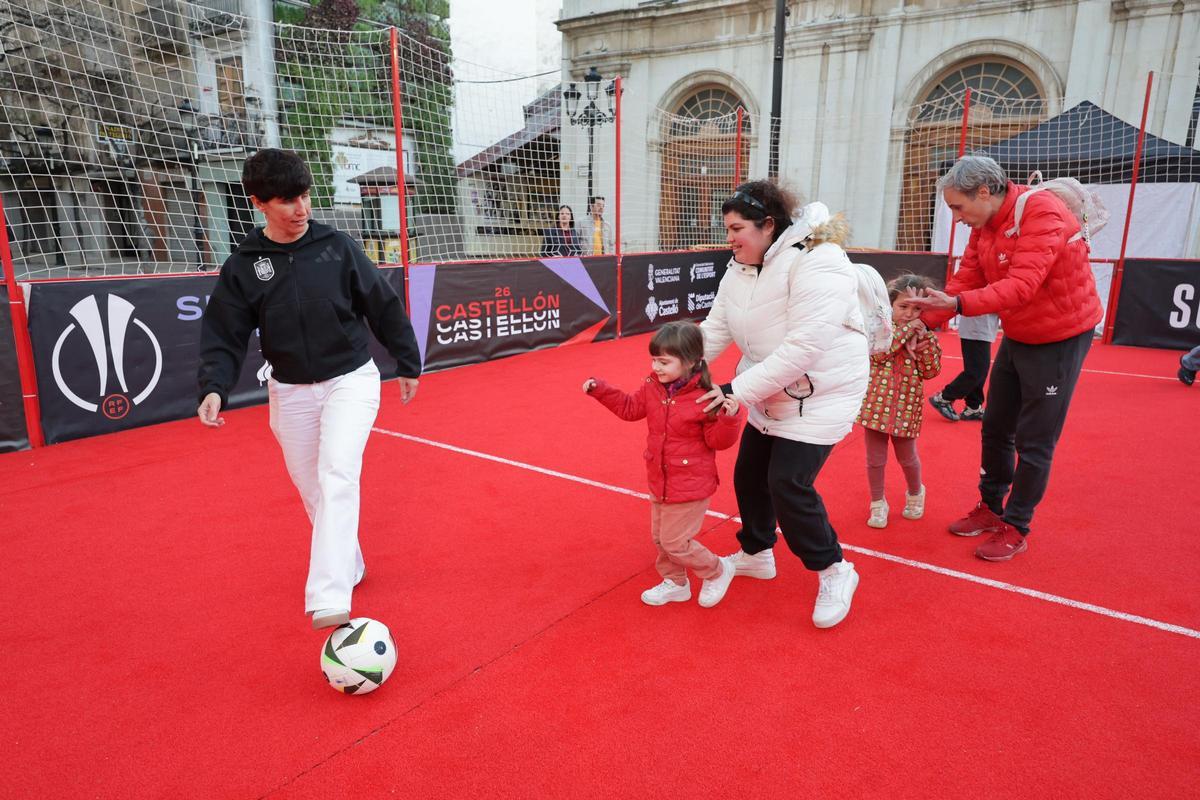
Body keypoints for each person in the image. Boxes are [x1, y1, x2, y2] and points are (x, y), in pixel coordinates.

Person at [196, 148, 421, 629]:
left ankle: (328, 596)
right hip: (291, 390)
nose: (300, 210)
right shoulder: (243, 265)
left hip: (351, 379)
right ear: (258, 203)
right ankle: (350, 562)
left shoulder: (336, 247)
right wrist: (214, 386)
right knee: (313, 490)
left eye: (304, 197)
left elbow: (382, 304)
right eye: (286, 201)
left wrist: (408, 360)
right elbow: (223, 332)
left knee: (338, 471)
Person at [909, 155, 1102, 562]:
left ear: (984, 192)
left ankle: (1017, 525)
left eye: (958, 207)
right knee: (996, 427)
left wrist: (957, 304)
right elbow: (968, 277)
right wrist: (922, 320)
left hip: (1061, 335)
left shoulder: (1042, 210)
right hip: (1020, 332)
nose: (957, 218)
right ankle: (991, 507)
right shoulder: (986, 224)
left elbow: (1021, 286)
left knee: (1035, 440)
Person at [697, 180, 870, 629]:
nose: (730, 238)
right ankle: (757, 553)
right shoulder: (740, 265)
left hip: (823, 392)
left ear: (768, 224)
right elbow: (716, 329)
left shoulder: (820, 260)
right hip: (769, 389)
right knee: (750, 477)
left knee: (788, 483)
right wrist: (675, 363)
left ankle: (834, 569)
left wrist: (734, 392)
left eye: (737, 228)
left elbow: (804, 348)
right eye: (727, 229)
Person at [584, 321, 745, 608]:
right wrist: (602, 390)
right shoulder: (653, 387)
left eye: (663, 361)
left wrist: (730, 418)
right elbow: (629, 408)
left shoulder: (705, 398)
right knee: (660, 538)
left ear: (691, 362)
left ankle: (717, 570)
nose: (655, 366)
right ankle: (676, 582)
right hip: (660, 478)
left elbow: (718, 441)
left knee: (675, 542)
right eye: (654, 359)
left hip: (691, 484)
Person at [857, 274, 942, 528]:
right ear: (889, 305)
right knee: (875, 459)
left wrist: (925, 341)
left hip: (907, 408)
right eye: (902, 306)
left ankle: (916, 493)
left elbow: (931, 371)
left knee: (908, 458)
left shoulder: (925, 335)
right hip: (875, 406)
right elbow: (881, 354)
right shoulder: (880, 332)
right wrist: (907, 331)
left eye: (916, 308)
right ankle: (877, 502)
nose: (908, 314)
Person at [928, 311, 998, 421]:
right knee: (976, 371)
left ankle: (973, 406)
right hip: (976, 328)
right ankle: (944, 398)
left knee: (980, 370)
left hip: (980, 328)